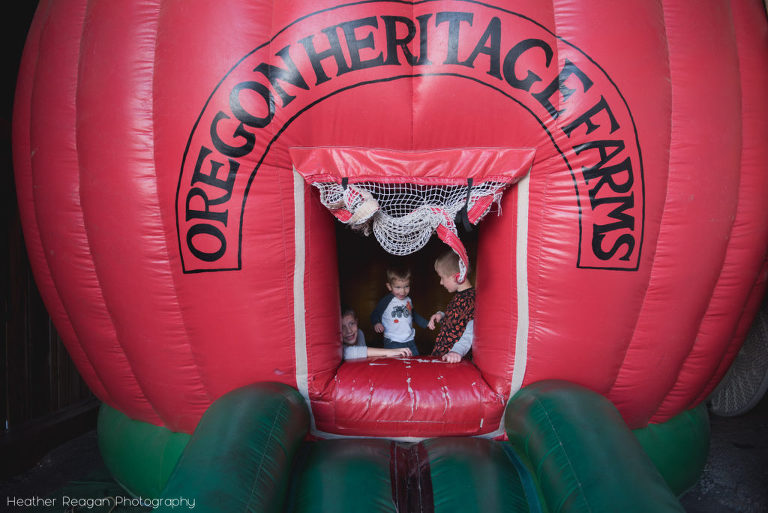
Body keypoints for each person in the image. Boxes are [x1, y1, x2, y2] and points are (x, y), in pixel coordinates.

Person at [428, 252, 475, 363]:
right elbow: (457, 320)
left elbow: (471, 329)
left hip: (452, 359)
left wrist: (457, 351)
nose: (440, 282)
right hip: (441, 356)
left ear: (456, 277)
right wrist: (441, 315)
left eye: (442, 278)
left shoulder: (471, 299)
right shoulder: (459, 296)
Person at [370, 267, 428, 356]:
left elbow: (413, 315)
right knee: (395, 365)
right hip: (392, 341)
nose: (403, 291)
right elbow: (375, 313)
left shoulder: (408, 300)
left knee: (415, 362)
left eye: (406, 286)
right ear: (389, 286)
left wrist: (426, 323)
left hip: (409, 340)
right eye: (398, 287)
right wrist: (377, 323)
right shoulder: (387, 301)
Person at [341, 307, 412, 359]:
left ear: (356, 322)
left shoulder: (359, 333)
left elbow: (363, 355)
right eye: (342, 327)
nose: (349, 331)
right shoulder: (336, 346)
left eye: (351, 324)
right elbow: (348, 353)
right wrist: (388, 352)